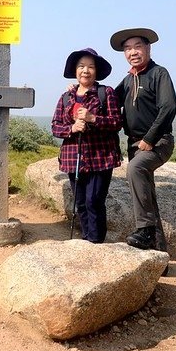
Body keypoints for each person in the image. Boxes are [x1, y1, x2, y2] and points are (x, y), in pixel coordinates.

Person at [110, 28, 176, 254]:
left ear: (148, 48)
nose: (132, 52)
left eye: (137, 46)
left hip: (159, 143)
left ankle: (145, 230)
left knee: (136, 168)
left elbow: (168, 108)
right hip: (134, 144)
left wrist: (150, 138)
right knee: (148, 198)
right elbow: (108, 99)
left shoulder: (159, 74)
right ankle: (160, 255)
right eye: (127, 49)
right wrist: (80, 91)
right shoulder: (129, 79)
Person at [51, 48, 123, 243]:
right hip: (73, 157)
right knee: (80, 203)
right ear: (75, 70)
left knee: (94, 201)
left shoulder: (105, 93)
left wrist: (93, 118)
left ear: (96, 71)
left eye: (91, 67)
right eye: (81, 66)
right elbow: (55, 126)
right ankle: (86, 240)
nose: (86, 70)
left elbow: (117, 122)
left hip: (101, 157)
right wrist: (72, 129)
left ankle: (96, 242)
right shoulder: (66, 97)